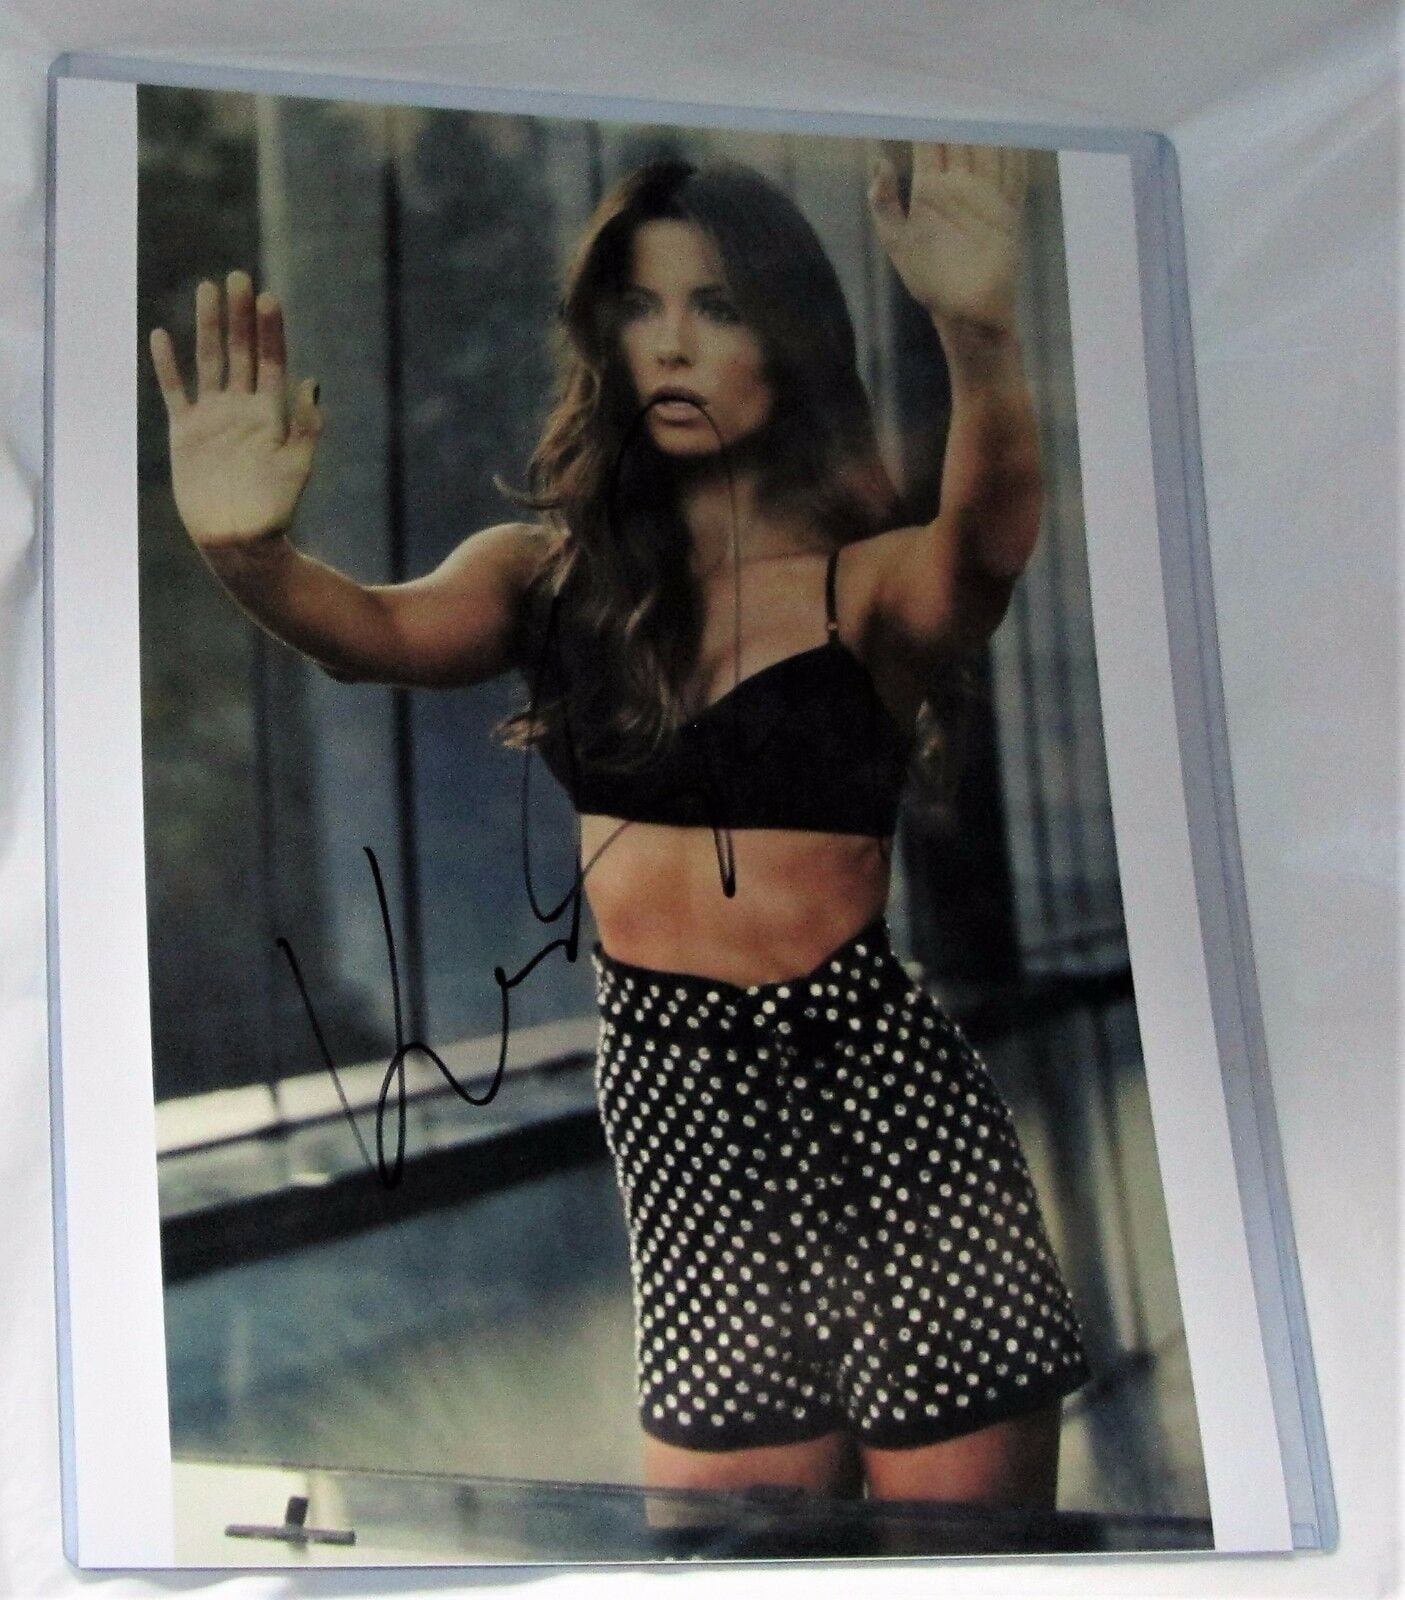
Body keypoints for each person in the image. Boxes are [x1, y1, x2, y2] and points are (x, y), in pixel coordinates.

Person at [149, 140, 1090, 1514]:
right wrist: (247, 554)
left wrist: (978, 328)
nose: (672, 344)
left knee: (959, 1572)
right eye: (641, 307)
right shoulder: (542, 581)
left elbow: (988, 540)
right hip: (686, 1146)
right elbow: (370, 635)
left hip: (892, 1123)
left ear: (786, 338)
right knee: (721, 1563)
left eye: (716, 307)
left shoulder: (867, 586)